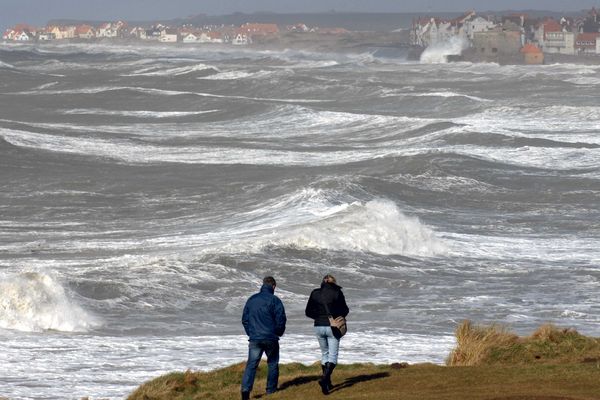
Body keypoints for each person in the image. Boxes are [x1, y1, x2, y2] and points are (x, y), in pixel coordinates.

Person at [241, 276, 287, 400]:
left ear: (263, 284)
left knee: (251, 365)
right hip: (271, 338)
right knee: (272, 363)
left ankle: (245, 392)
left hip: (255, 338)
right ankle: (271, 391)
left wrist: (251, 333)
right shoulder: (275, 300)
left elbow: (245, 320)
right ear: (273, 286)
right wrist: (278, 332)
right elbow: (281, 319)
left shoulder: (252, 299)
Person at [305, 274, 349, 395]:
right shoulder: (337, 292)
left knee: (325, 353)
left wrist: (319, 317)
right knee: (333, 356)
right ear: (334, 282)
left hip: (318, 326)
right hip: (333, 327)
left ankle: (327, 383)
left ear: (323, 282)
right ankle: (324, 380)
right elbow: (345, 310)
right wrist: (336, 317)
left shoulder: (315, 293)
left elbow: (308, 311)